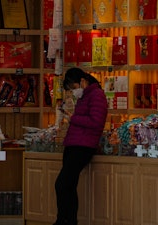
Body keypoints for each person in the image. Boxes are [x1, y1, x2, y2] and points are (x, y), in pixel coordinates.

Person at [54, 67, 108, 225]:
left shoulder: (97, 95)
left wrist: (73, 119)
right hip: (74, 144)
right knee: (69, 186)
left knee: (62, 184)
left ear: (83, 81)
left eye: (74, 87)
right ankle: (68, 220)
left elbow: (96, 122)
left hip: (83, 146)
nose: (74, 91)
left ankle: (63, 220)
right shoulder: (85, 96)